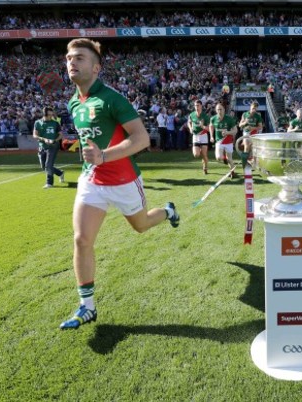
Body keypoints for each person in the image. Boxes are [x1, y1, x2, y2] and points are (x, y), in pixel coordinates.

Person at [59, 38, 180, 330]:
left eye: (79, 58)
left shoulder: (112, 98)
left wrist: (103, 155)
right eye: (68, 58)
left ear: (96, 68)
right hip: (92, 180)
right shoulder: (73, 102)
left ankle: (168, 211)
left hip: (124, 180)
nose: (71, 62)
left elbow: (141, 139)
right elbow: (94, 139)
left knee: (140, 226)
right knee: (81, 239)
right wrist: (86, 152)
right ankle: (87, 306)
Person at [33, 106, 65, 189]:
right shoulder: (37, 123)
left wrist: (54, 140)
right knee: (44, 167)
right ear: (45, 114)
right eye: (50, 114)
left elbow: (61, 135)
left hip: (53, 146)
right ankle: (60, 173)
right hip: (42, 146)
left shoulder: (55, 123)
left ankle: (49, 183)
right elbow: (35, 135)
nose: (52, 116)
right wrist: (43, 139)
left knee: (48, 165)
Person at [209, 103, 238, 178]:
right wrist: (211, 136)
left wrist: (228, 132)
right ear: (216, 110)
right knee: (218, 157)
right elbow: (211, 126)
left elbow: (235, 130)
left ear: (224, 110)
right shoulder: (213, 119)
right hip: (219, 141)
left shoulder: (229, 119)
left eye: (221, 109)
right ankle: (224, 158)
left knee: (230, 159)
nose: (219, 111)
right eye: (218, 109)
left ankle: (233, 172)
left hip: (228, 141)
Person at [188, 100, 212, 174]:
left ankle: (205, 167)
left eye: (198, 105)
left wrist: (203, 126)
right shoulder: (191, 115)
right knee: (196, 154)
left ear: (201, 106)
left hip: (203, 136)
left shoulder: (205, 116)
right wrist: (190, 128)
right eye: (195, 105)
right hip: (195, 136)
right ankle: (202, 155)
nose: (196, 107)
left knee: (204, 154)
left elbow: (209, 128)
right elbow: (189, 122)